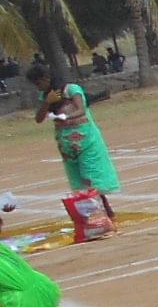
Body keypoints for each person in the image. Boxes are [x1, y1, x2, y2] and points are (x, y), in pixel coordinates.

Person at [26, 64, 120, 215]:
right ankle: (90, 212)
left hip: (86, 139)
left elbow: (81, 110)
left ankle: (106, 209)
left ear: (47, 78)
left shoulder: (71, 89)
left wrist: (65, 117)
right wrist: (47, 102)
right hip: (66, 142)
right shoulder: (46, 96)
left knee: (91, 174)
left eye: (38, 83)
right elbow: (38, 119)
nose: (38, 87)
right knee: (77, 178)